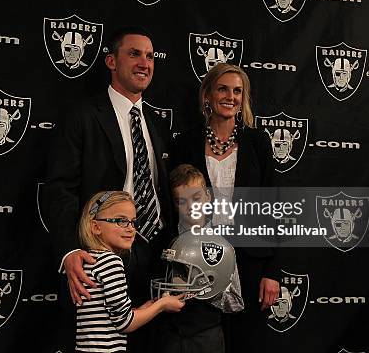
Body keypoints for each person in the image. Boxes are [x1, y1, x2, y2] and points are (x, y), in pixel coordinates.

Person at [43, 26, 175, 352]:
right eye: (134, 54)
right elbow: (59, 188)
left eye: (150, 56)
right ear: (111, 61)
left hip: (154, 254)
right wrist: (71, 249)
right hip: (100, 258)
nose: (145, 62)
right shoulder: (83, 115)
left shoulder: (157, 124)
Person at [170, 63, 280, 353]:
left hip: (251, 262)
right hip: (200, 263)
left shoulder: (258, 142)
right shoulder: (186, 143)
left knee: (246, 344)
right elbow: (175, 209)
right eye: (223, 88)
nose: (231, 96)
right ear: (207, 94)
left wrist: (273, 271)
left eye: (237, 91)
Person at [147, 163, 244, 353]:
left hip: (206, 336)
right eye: (181, 201)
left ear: (208, 196)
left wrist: (205, 291)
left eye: (196, 198)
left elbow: (236, 302)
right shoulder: (163, 240)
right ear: (174, 204)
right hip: (168, 335)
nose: (191, 207)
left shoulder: (222, 244)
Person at [76, 190, 184, 352]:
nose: (131, 229)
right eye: (121, 221)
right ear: (96, 227)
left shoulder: (89, 259)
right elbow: (124, 323)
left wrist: (143, 310)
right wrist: (161, 305)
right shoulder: (111, 262)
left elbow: (109, 315)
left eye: (133, 222)